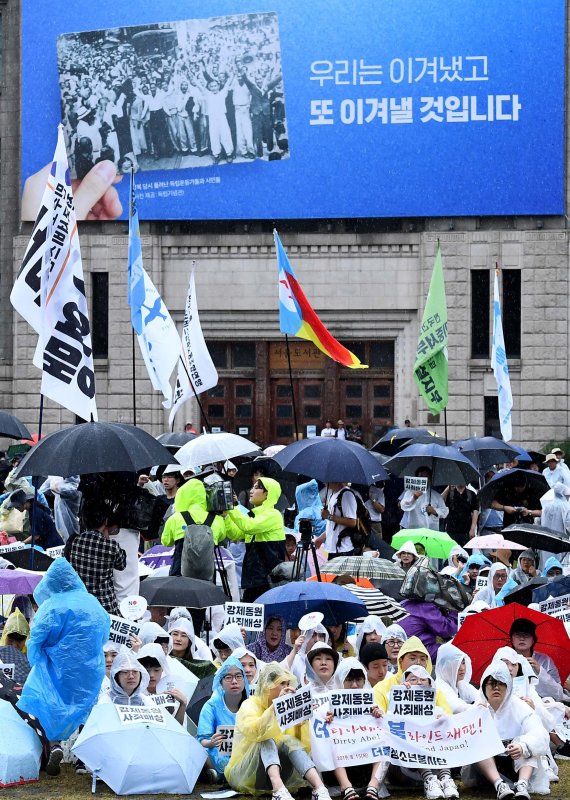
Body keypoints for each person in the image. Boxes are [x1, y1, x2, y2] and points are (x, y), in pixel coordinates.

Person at [17, 558, 109, 772]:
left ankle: (54, 743)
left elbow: (36, 639)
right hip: (90, 669)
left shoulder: (51, 606)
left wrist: (37, 661)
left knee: (48, 704)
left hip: (57, 668)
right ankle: (86, 756)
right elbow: (104, 634)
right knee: (86, 707)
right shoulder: (92, 602)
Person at [224, 661, 331, 800]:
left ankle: (319, 788)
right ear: (268, 686)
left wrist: (303, 720)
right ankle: (278, 790)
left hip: (279, 772)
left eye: (288, 684)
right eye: (282, 684)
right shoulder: (249, 705)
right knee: (266, 739)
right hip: (245, 775)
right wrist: (274, 708)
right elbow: (257, 733)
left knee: (289, 741)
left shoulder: (288, 706)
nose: (287, 688)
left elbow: (302, 744)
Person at [463, 661, 550, 799]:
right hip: (488, 769)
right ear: (484, 686)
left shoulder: (520, 707)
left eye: (501, 683)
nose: (496, 687)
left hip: (516, 762)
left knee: (527, 744)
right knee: (479, 743)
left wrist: (522, 746)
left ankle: (522, 784)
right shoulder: (476, 709)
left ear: (508, 686)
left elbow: (540, 734)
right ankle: (499, 785)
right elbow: (462, 736)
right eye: (491, 683)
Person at [399, 665, 458, 799]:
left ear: (430, 683)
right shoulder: (397, 696)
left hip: (438, 756)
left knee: (442, 721)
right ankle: (429, 779)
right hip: (408, 764)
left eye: (423, 679)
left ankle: (445, 778)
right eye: (413, 679)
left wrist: (442, 719)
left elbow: (450, 717)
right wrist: (401, 696)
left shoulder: (438, 699)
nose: (419, 682)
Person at [224, 477, 286, 601]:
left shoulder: (273, 514)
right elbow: (235, 534)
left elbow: (249, 527)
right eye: (252, 487)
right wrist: (226, 515)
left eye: (257, 487)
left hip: (268, 579)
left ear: (268, 493)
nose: (251, 490)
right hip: (253, 578)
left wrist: (235, 507)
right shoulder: (252, 515)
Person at [64, 495, 126, 615]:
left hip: (80, 604)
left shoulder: (74, 542)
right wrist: (107, 537)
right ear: (105, 521)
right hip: (105, 606)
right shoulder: (111, 546)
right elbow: (121, 565)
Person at [161, 477, 229, 576]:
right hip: (207, 572)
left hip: (180, 570)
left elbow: (166, 542)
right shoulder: (216, 519)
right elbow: (222, 537)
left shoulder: (176, 518)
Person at [198, 656, 250, 781]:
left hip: (243, 752)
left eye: (238, 676)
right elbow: (202, 740)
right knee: (202, 753)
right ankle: (219, 773)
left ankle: (220, 775)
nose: (234, 681)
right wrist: (211, 742)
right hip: (216, 752)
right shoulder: (211, 706)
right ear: (220, 682)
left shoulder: (250, 705)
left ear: (244, 680)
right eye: (228, 677)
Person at [372, 636, 451, 714]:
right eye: (412, 658)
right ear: (400, 661)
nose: (418, 662)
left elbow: (448, 718)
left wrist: (441, 719)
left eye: (423, 659)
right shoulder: (381, 688)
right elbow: (377, 718)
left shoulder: (435, 692)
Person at [509, 618, 563, 701]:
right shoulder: (505, 659)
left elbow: (558, 694)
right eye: (517, 634)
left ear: (533, 639)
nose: (522, 638)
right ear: (511, 639)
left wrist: (539, 671)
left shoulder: (545, 660)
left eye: (526, 635)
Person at [434, 642, 478, 713]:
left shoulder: (461, 684)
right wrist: (480, 707)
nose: (462, 668)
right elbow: (458, 708)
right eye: (456, 664)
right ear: (444, 667)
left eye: (463, 663)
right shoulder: (439, 686)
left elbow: (481, 697)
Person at [319, 482, 358, 558]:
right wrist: (322, 538)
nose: (324, 482)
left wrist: (329, 516)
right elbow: (332, 526)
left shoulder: (347, 494)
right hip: (333, 548)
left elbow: (352, 522)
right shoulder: (333, 494)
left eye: (327, 479)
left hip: (343, 549)